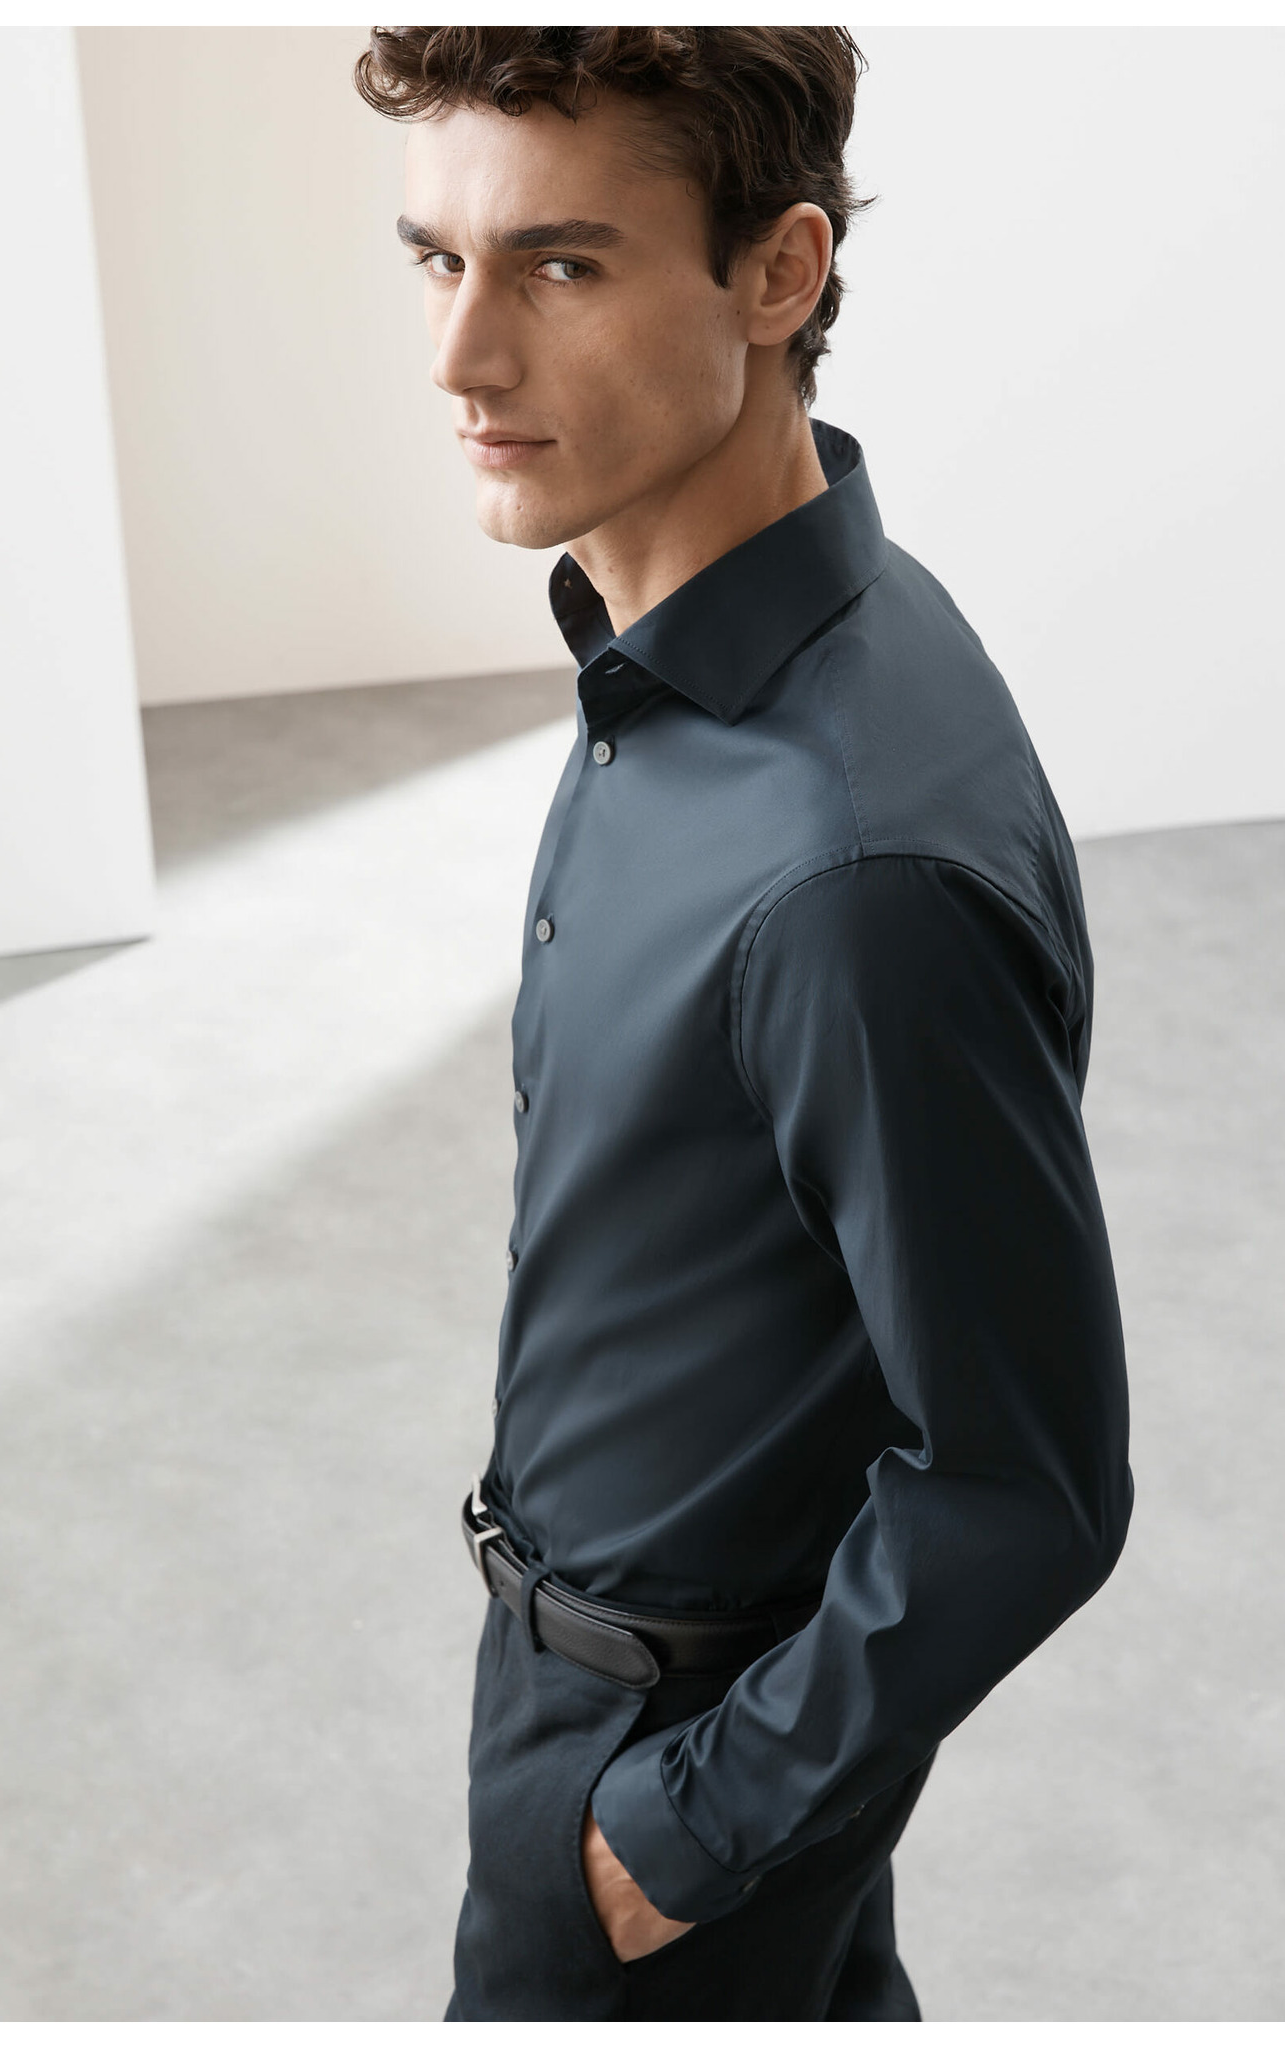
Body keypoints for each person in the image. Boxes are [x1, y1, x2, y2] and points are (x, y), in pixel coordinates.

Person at [354, 26, 1134, 2022]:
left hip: (663, 1754)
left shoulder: (848, 868)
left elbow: (1025, 1480)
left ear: (778, 273)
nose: (461, 358)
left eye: (561, 264)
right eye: (438, 261)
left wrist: (673, 1841)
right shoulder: (705, 660)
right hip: (629, 1682)